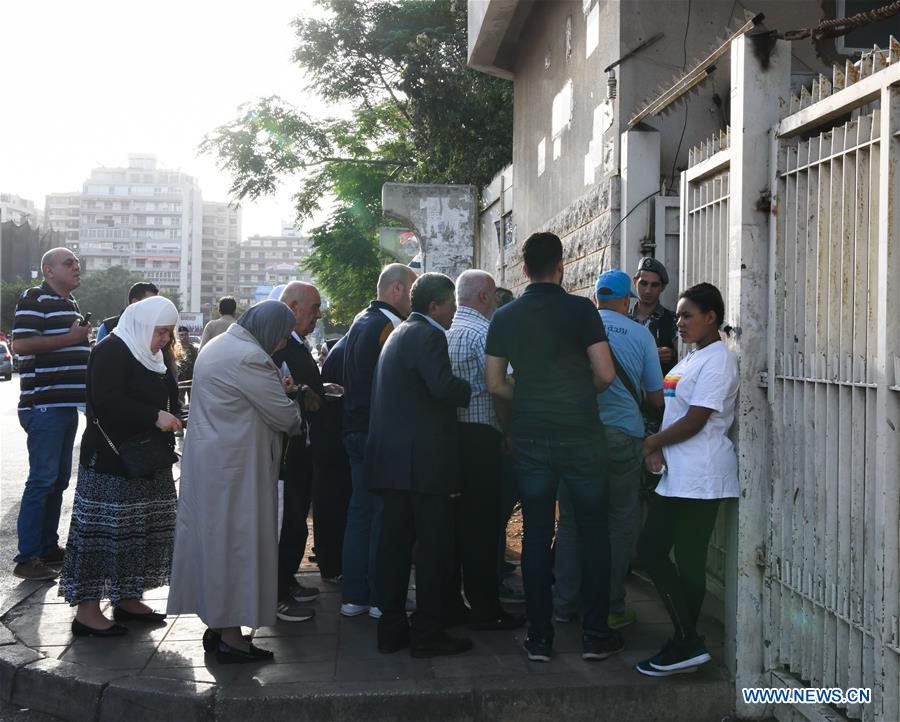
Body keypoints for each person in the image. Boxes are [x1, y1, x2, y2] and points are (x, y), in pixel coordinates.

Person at [485, 232, 619, 664]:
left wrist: (527, 396)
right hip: (581, 434)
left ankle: (540, 638)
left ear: (524, 269)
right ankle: (595, 635)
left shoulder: (505, 316)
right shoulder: (582, 310)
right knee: (594, 533)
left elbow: (494, 384)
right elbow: (606, 374)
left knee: (537, 534)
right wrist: (577, 394)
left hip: (530, 436)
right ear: (562, 266)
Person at [167, 301, 305, 664]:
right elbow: (285, 417)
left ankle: (218, 625)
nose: (281, 345)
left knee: (216, 545)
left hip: (216, 465)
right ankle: (231, 638)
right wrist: (292, 399)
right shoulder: (250, 357)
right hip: (237, 469)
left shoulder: (219, 344)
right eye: (281, 337)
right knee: (237, 548)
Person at [58, 296, 182, 636]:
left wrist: (174, 414)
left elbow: (167, 393)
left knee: (137, 532)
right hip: (112, 462)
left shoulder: (155, 354)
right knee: (103, 536)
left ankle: (127, 598)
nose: (165, 340)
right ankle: (87, 612)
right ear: (142, 324)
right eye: (160, 332)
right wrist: (153, 416)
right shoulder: (112, 350)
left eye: (169, 333)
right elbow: (106, 402)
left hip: (147, 458)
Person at [635, 282, 738, 677]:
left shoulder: (719, 361)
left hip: (702, 474)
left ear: (711, 318)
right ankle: (686, 641)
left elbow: (696, 420)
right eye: (677, 315)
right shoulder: (693, 357)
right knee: (674, 556)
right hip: (680, 473)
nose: (678, 322)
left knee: (659, 552)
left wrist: (651, 443)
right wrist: (659, 449)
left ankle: (687, 641)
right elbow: (675, 414)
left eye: (687, 315)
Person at [366, 273, 472, 657]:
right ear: (434, 306)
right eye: (451, 305)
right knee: (432, 550)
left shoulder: (399, 333)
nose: (454, 312)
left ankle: (391, 629)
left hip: (394, 464)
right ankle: (428, 632)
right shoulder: (429, 335)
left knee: (394, 549)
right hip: (422, 466)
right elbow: (442, 387)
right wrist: (468, 386)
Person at [553, 270, 664, 629]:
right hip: (623, 436)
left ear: (596, 298)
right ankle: (613, 606)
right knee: (619, 522)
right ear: (627, 299)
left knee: (571, 522)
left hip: (576, 434)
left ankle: (565, 604)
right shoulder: (641, 334)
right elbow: (655, 397)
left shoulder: (572, 330)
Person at [445, 270, 524, 631]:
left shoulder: (445, 331)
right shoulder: (485, 333)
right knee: (485, 527)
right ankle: (486, 607)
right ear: (483, 297)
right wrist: (509, 430)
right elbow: (501, 387)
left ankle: (458, 600)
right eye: (492, 296)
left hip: (452, 437)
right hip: (483, 438)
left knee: (459, 524)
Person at [339, 263, 418, 619]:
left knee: (360, 514)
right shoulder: (390, 326)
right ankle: (380, 599)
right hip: (378, 433)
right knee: (382, 517)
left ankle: (354, 596)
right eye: (412, 289)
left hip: (355, 430)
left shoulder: (361, 320)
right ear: (397, 289)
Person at [11, 248, 91, 581]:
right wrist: (72, 337)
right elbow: (20, 345)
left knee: (57, 481)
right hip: (44, 406)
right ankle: (27, 558)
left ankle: (46, 547)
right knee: (42, 480)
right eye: (69, 263)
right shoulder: (35, 297)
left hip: (65, 406)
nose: (76, 267)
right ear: (48, 270)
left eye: (77, 263)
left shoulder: (69, 303)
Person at [271, 281, 327, 621]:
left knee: (296, 522)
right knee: (286, 522)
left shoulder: (295, 343)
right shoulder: (277, 345)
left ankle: (286, 581)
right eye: (313, 308)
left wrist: (315, 388)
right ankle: (276, 592)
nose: (318, 315)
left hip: (301, 448)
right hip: (284, 453)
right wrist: (302, 391)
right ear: (292, 308)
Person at [313, 335, 352, 582]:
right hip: (333, 442)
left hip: (330, 441)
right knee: (334, 504)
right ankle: (333, 564)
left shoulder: (342, 349)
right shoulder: (346, 351)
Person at [630, 257, 678, 376]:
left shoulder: (673, 320)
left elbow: (686, 358)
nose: (648, 290)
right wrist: (649, 356)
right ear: (635, 282)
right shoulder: (623, 319)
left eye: (654, 285)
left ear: (663, 287)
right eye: (643, 283)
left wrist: (672, 354)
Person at [175, 326, 198, 405]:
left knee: (192, 400)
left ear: (188, 335)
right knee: (180, 400)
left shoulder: (193, 349)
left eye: (185, 334)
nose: (184, 337)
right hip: (180, 378)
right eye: (181, 335)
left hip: (190, 378)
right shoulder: (175, 348)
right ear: (178, 336)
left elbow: (196, 363)